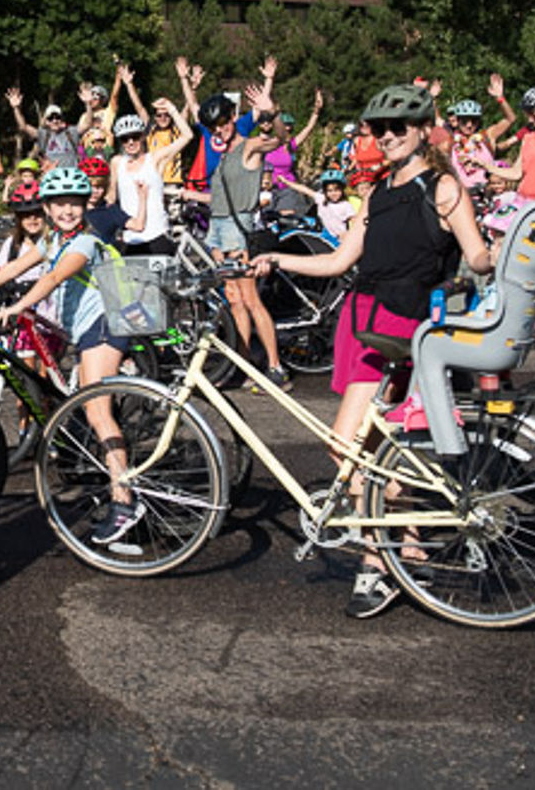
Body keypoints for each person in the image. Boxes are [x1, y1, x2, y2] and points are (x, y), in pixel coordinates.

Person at [252, 83, 493, 618]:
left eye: (397, 128)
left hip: (408, 328)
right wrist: (277, 259)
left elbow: (475, 252)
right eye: (378, 129)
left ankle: (375, 561)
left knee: (349, 448)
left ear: (424, 130)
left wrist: (497, 261)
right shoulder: (376, 193)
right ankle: (405, 546)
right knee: (380, 451)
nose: (386, 137)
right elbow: (339, 263)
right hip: (360, 322)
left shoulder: (445, 189)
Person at [0, 166, 145, 544]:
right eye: (59, 204)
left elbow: (52, 278)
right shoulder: (52, 239)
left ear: (83, 205)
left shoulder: (83, 243)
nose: (67, 211)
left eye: (73, 204)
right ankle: (107, 473)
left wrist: (16, 308)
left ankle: (124, 503)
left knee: (97, 410)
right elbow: (14, 267)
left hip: (106, 325)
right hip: (89, 330)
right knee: (82, 404)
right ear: (47, 208)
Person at [190, 85, 289, 385]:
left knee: (250, 299)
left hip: (237, 230)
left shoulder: (248, 147)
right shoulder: (223, 155)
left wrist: (271, 112)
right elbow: (218, 198)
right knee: (233, 300)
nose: (219, 130)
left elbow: (280, 139)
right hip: (217, 230)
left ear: (233, 117)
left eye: (223, 123)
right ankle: (243, 364)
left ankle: (275, 367)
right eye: (213, 127)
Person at [110, 100, 191, 257]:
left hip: (157, 234)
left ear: (143, 137)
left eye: (135, 136)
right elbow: (111, 196)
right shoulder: (117, 162)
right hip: (130, 238)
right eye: (125, 139)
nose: (131, 142)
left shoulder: (154, 158)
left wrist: (172, 109)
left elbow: (187, 136)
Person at [7, 88, 78, 169]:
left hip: (71, 176)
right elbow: (23, 127)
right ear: (46, 121)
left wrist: (88, 104)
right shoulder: (43, 134)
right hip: (51, 176)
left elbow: (86, 124)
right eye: (51, 118)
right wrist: (16, 108)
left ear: (62, 119)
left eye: (58, 117)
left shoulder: (71, 132)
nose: (54, 121)